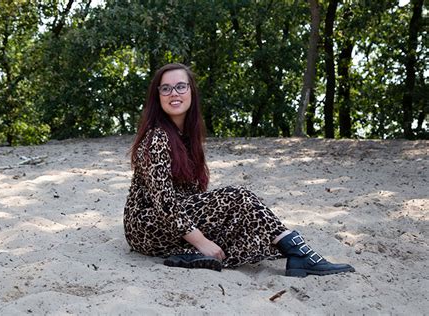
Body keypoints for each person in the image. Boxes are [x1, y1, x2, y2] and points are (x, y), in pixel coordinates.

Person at [123, 63, 355, 277]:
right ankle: (298, 251)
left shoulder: (187, 137)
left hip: (178, 220)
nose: (174, 93)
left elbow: (195, 197)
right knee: (238, 196)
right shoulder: (157, 138)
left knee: (249, 235)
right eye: (166, 88)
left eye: (181, 86)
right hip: (148, 226)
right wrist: (202, 240)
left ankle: (190, 257)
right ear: (158, 97)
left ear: (191, 91)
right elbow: (165, 204)